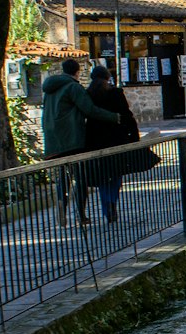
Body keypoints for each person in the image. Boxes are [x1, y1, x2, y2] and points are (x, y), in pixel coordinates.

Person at [41, 57, 120, 225]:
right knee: (81, 177)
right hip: (72, 139)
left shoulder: (49, 89)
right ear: (77, 72)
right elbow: (89, 109)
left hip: (53, 140)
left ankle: (62, 209)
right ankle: (81, 214)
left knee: (63, 177)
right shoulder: (73, 87)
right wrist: (114, 117)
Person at [83, 64, 140, 222]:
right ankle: (112, 202)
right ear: (108, 77)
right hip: (116, 138)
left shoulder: (88, 95)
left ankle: (106, 204)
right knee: (116, 172)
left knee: (102, 175)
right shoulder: (115, 93)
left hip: (95, 139)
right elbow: (126, 115)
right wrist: (134, 136)